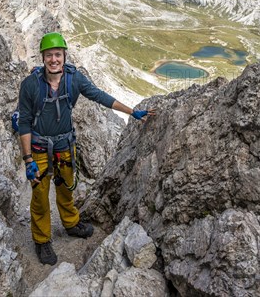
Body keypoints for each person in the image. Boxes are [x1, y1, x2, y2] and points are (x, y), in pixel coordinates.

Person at [18, 32, 156, 266]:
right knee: (40, 197)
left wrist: (132, 111)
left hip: (64, 147)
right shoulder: (30, 85)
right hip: (40, 148)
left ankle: (71, 223)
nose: (54, 59)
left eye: (58, 55)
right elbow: (23, 122)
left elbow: (99, 96)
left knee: (66, 190)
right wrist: (28, 159)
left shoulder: (74, 79)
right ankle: (42, 240)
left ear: (64, 56)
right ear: (42, 57)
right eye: (49, 55)